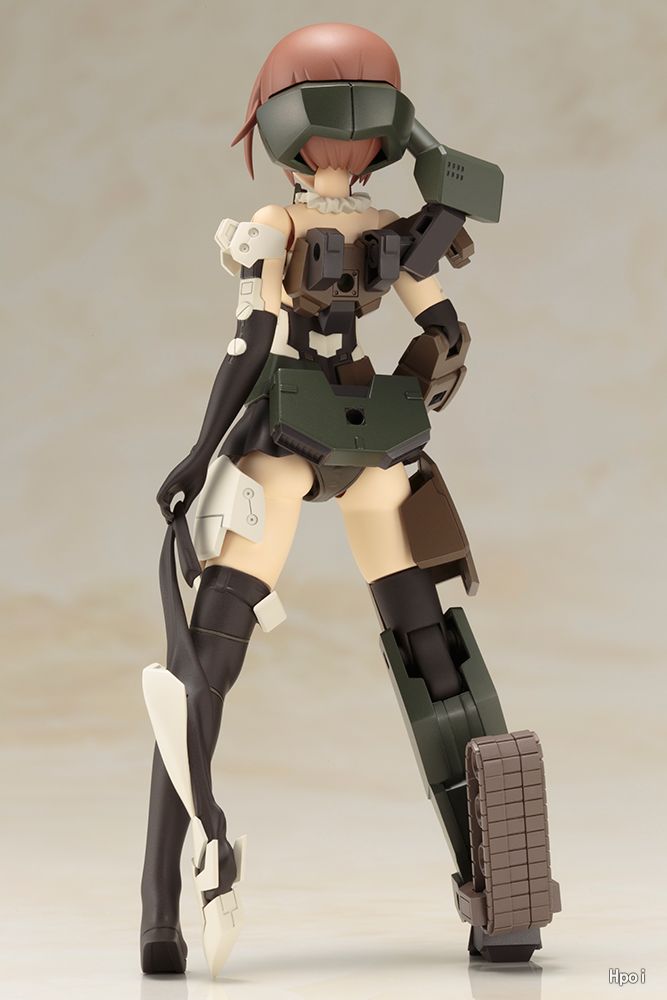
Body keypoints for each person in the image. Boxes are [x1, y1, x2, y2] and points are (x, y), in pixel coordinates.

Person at [140, 22, 559, 978]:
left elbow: (257, 347)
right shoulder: (360, 229)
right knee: (415, 653)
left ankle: (165, 910)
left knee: (216, 669)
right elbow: (436, 328)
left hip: (310, 437)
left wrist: (199, 454)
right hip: (354, 440)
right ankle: (499, 904)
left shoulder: (307, 226)